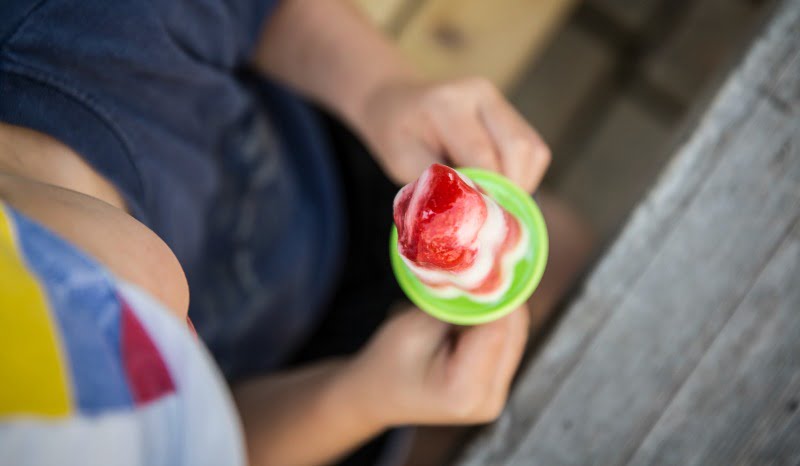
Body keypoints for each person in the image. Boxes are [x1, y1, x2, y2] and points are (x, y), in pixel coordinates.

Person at [0, 0, 592, 464]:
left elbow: (263, 9)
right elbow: (229, 443)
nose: (179, 344)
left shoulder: (72, 25)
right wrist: (363, 397)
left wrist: (381, 91)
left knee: (565, 253)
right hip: (298, 397)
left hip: (332, 184)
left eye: (140, 330)